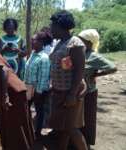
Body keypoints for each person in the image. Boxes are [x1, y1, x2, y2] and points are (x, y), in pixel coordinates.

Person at [48, 10, 88, 150]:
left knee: (71, 129)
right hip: (59, 92)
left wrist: (72, 94)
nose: (51, 28)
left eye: (52, 25)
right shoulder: (60, 43)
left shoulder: (75, 43)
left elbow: (79, 70)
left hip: (70, 94)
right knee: (63, 128)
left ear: (61, 26)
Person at [0, 50, 35, 150]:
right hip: (18, 91)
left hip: (13, 94)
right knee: (19, 122)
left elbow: (2, 71)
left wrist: (5, 96)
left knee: (13, 124)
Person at [78, 29, 117, 148]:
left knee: (88, 119)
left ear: (89, 43)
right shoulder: (80, 53)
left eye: (82, 40)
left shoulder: (93, 56)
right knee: (78, 119)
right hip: (78, 92)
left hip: (89, 92)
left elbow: (112, 67)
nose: (78, 41)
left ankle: (87, 143)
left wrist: (97, 75)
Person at [25, 31, 52, 138]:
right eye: (31, 39)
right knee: (26, 109)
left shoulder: (44, 58)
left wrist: (38, 92)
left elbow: (43, 77)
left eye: (34, 40)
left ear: (41, 42)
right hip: (28, 87)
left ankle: (38, 133)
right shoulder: (33, 54)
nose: (31, 41)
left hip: (37, 90)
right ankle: (29, 130)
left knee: (39, 110)